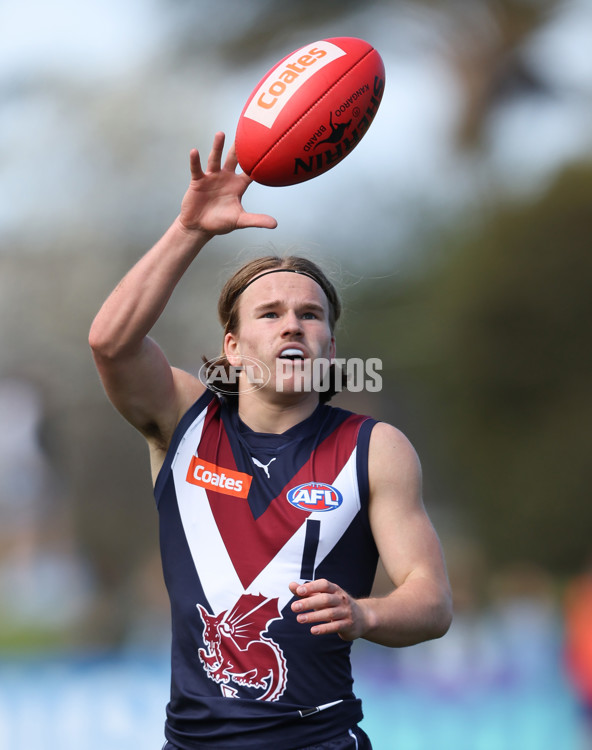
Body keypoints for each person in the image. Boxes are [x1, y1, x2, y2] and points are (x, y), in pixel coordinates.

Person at [89, 132, 452, 750]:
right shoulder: (184, 418)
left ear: (330, 348)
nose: (292, 323)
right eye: (270, 313)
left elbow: (431, 599)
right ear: (233, 347)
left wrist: (365, 614)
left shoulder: (374, 448)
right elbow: (110, 344)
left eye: (310, 315)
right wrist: (191, 229)